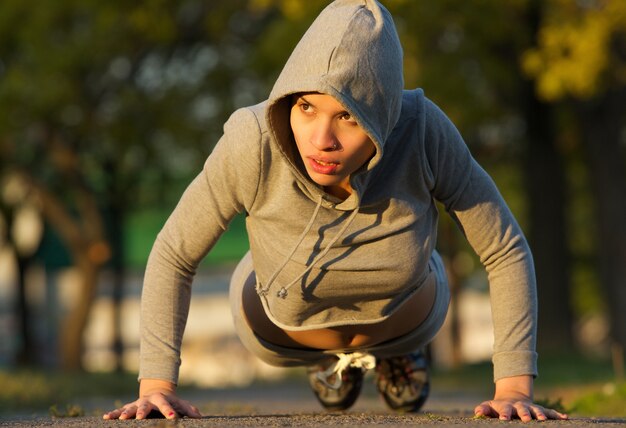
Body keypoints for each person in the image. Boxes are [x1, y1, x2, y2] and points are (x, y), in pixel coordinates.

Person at [103, 0, 568, 422]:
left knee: (426, 271)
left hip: (405, 319)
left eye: (347, 116)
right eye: (306, 107)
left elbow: (504, 248)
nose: (320, 139)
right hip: (282, 329)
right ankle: (330, 365)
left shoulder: (423, 130)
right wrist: (156, 386)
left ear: (383, 113)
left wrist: (513, 387)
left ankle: (397, 358)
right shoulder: (251, 141)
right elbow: (174, 254)